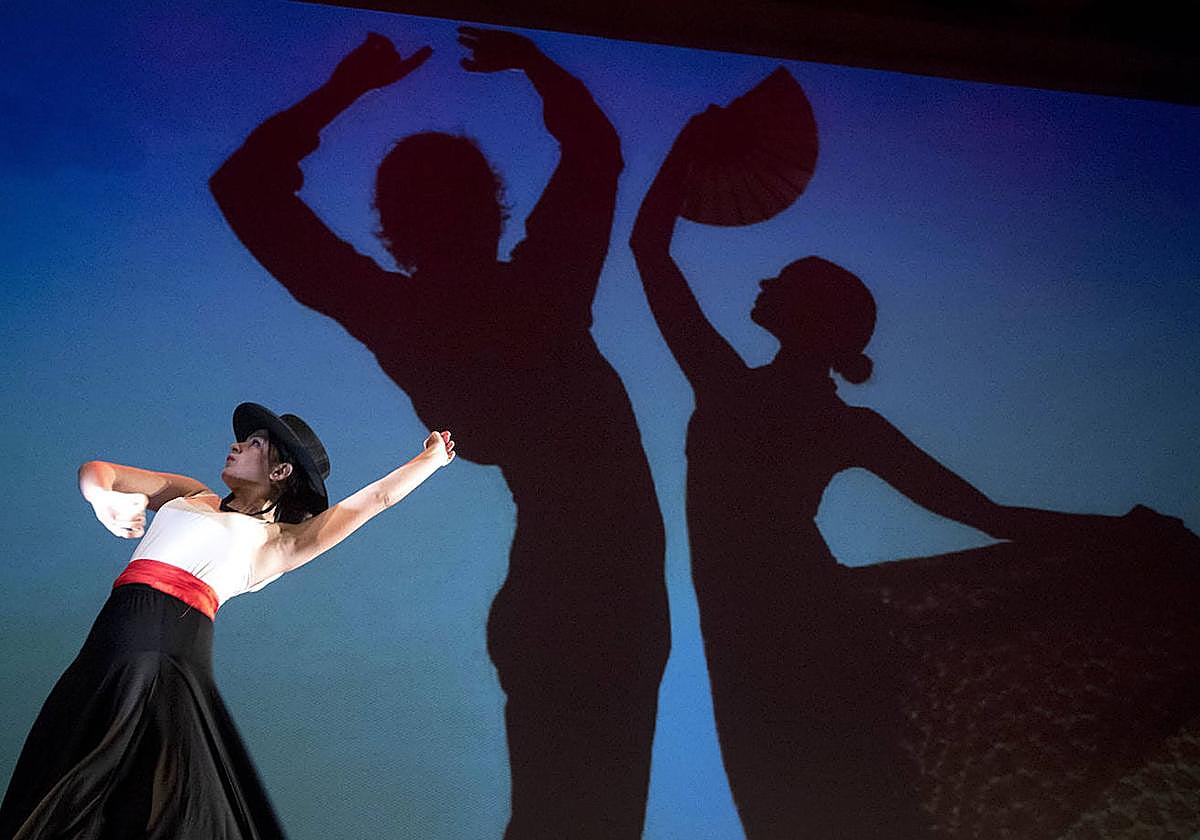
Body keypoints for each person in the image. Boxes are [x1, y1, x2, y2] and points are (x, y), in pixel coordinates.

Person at [630, 110, 1190, 839]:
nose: (767, 278)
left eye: (788, 279)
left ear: (811, 317)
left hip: (791, 632)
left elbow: (988, 515)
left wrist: (1123, 536)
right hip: (767, 631)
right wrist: (1123, 534)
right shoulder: (788, 404)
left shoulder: (744, 392)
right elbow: (991, 515)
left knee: (818, 808)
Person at [209, 29, 669, 839]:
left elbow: (245, 187)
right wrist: (535, 62)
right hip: (593, 588)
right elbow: (594, 151)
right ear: (489, 207)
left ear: (392, 228)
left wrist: (345, 87)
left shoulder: (399, 313)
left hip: (565, 587)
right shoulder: (543, 289)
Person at [0, 402, 454, 839]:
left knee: (155, 801)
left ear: (280, 471)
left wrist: (429, 460)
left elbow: (374, 500)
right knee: (60, 785)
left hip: (165, 662)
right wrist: (102, 498)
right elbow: (101, 471)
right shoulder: (192, 495)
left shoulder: (280, 542)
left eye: (254, 444)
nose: (236, 446)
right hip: (103, 654)